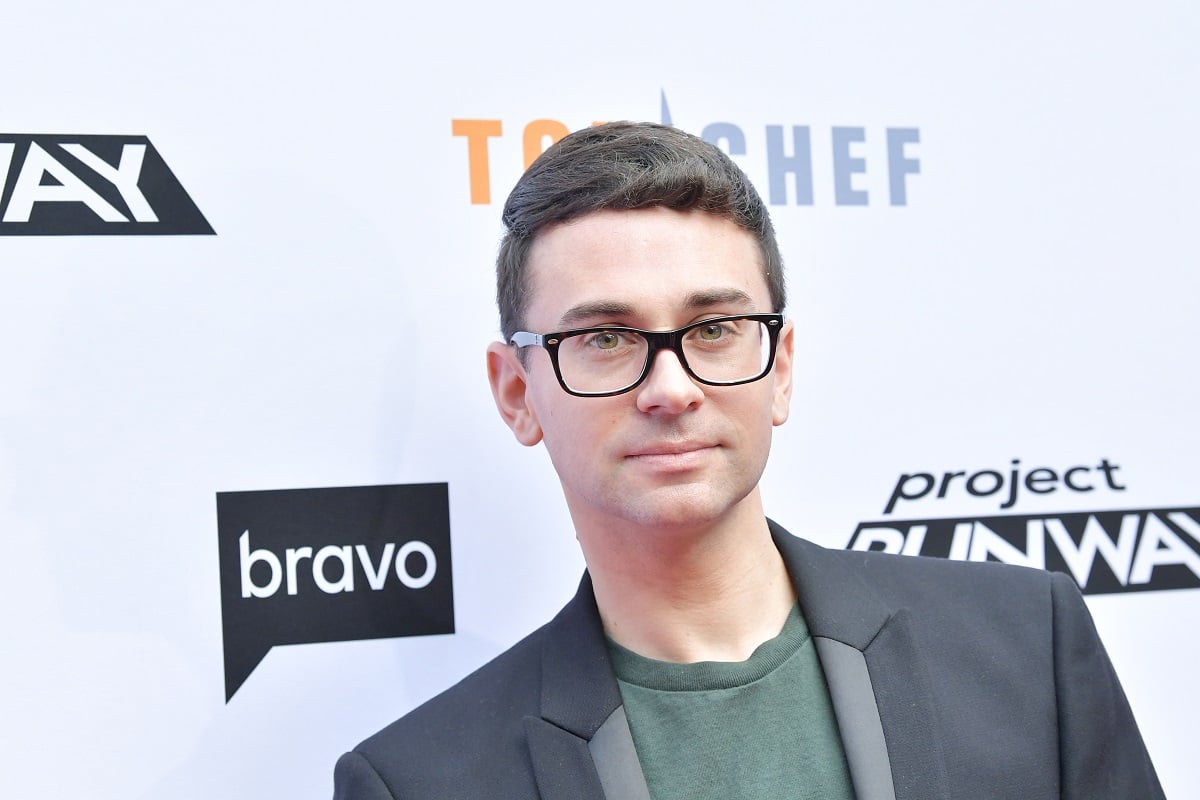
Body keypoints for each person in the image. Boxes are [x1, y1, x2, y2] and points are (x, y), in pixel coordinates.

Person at [333, 122, 1163, 799]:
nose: (670, 389)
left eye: (715, 330)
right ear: (517, 392)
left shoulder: (1027, 645)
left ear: (781, 367)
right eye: (606, 339)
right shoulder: (420, 781)